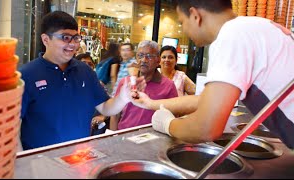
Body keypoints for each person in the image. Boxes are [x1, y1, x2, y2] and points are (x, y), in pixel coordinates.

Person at [132, 0, 294, 149]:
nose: (185, 30)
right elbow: (207, 100)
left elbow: (206, 128)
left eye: (182, 22)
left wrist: (168, 124)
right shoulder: (255, 25)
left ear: (195, 15)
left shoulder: (230, 36)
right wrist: (150, 104)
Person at [19, 11, 145, 150]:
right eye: (65, 37)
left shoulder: (85, 71)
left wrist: (123, 97)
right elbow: (12, 129)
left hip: (79, 158)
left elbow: (105, 107)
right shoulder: (26, 75)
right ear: (46, 40)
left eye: (76, 38)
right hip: (40, 162)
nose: (73, 44)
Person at [110, 40, 178, 130]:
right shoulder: (125, 82)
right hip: (124, 137)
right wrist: (113, 138)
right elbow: (115, 114)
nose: (143, 60)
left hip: (153, 139)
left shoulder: (168, 86)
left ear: (158, 60)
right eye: (140, 55)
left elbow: (174, 117)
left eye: (149, 56)